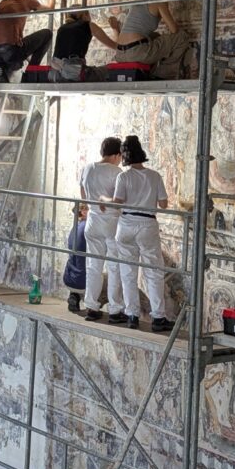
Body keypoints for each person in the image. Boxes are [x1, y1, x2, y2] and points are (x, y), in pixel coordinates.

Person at [112, 135, 171, 331]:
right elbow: (163, 204)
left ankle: (132, 315)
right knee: (153, 272)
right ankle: (158, 317)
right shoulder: (154, 176)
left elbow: (117, 202)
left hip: (126, 224)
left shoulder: (123, 177)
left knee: (128, 272)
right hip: (147, 224)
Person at [109, 0, 191, 80]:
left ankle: (151, 72)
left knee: (156, 36)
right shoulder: (159, 0)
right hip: (136, 52)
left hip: (120, 53)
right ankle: (163, 75)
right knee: (181, 37)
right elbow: (174, 30)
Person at [80, 137, 125, 323]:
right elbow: (120, 200)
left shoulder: (88, 168)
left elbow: (83, 194)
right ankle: (115, 310)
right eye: (120, 157)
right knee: (114, 266)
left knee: (93, 266)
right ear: (116, 155)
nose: (120, 160)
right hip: (112, 221)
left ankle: (91, 306)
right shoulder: (117, 172)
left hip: (92, 220)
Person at [0, 0, 56, 82]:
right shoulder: (24, 0)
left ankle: (0, 68)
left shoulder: (0, 5)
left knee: (13, 61)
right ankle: (31, 72)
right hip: (9, 50)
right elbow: (50, 8)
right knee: (47, 34)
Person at [50, 8, 117, 82]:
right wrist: (115, 28)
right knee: (111, 70)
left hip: (55, 75)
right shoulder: (89, 25)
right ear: (85, 15)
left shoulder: (61, 28)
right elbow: (115, 46)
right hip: (74, 73)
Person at [63, 204, 88, 312]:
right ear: (83, 211)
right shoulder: (87, 228)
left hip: (68, 277)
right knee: (109, 276)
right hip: (82, 281)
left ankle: (74, 296)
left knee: (79, 263)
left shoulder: (75, 227)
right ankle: (93, 308)